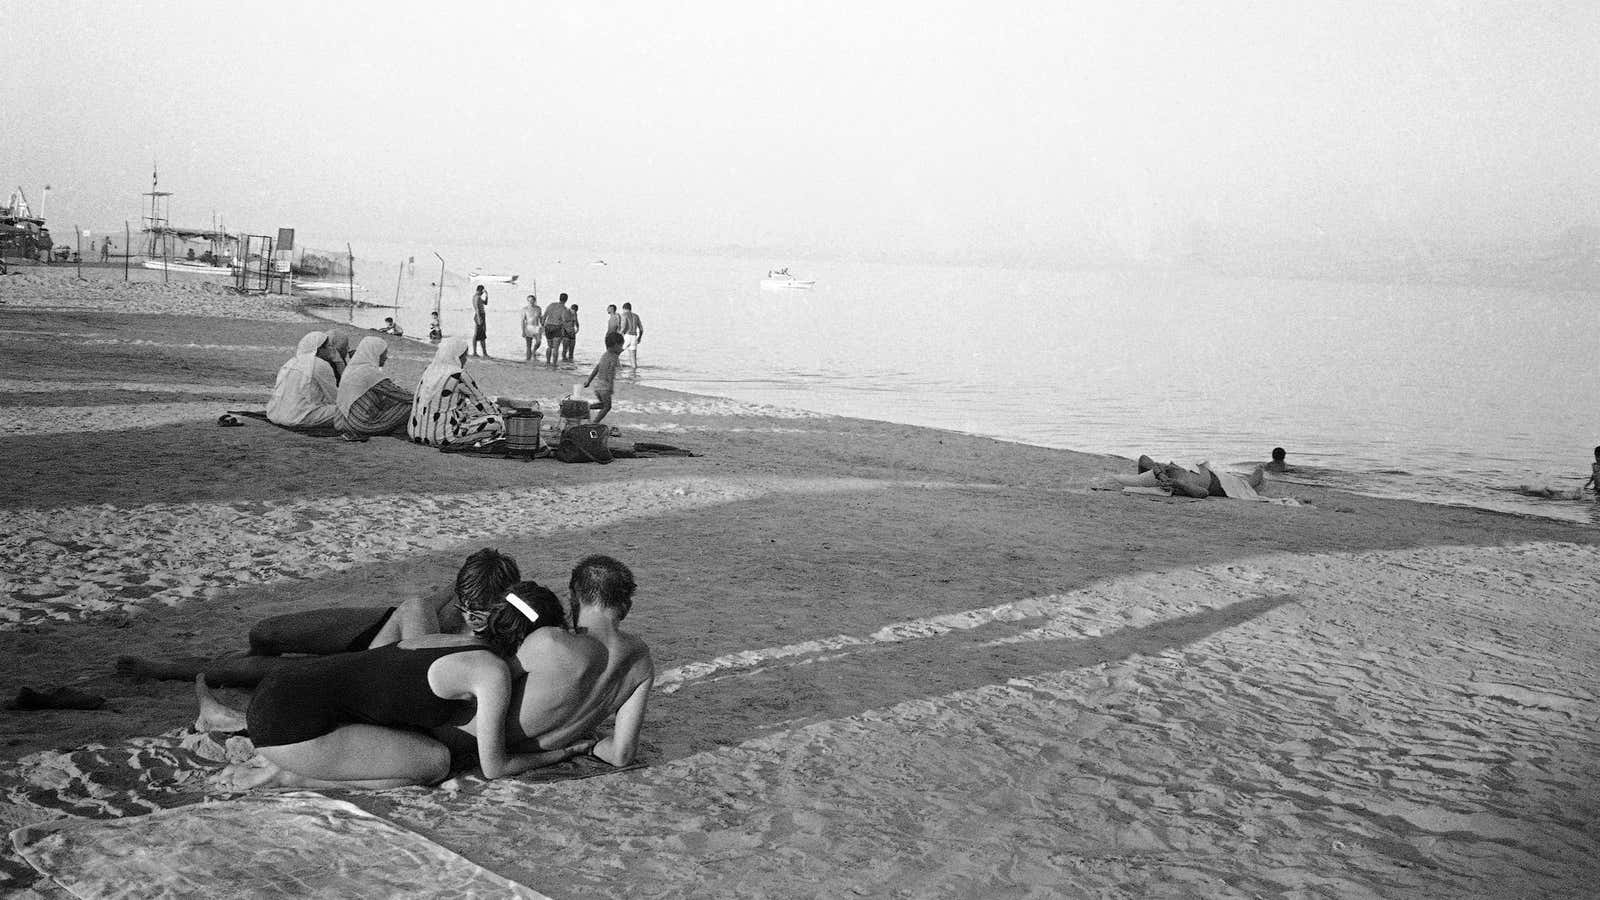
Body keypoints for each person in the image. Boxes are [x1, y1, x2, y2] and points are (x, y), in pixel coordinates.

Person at [203, 582, 592, 791]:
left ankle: (292, 762)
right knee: (435, 763)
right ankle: (294, 777)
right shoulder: (490, 672)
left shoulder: (443, 640)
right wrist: (558, 755)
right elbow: (495, 768)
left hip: (283, 692)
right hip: (289, 727)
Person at [119, 549, 521, 688]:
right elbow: (427, 607)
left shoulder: (516, 614)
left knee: (252, 673)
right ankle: (236, 656)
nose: (472, 615)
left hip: (381, 661)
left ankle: (167, 669)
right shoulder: (462, 590)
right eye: (466, 604)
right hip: (383, 626)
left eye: (480, 611)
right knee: (264, 633)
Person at [444, 555, 653, 769]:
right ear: (626, 607)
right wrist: (589, 745)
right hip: (527, 753)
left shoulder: (550, 642)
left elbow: (471, 688)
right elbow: (622, 755)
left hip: (455, 738)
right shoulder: (641, 662)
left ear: (574, 596)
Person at [408, 335, 505, 448]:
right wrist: (502, 412)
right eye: (464, 356)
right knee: (498, 423)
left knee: (466, 413)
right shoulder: (458, 375)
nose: (466, 359)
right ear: (457, 356)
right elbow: (484, 406)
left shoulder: (429, 370)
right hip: (442, 438)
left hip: (415, 433)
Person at [335, 336, 414, 441]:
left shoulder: (352, 368)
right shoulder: (369, 372)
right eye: (384, 354)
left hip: (342, 422)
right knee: (412, 406)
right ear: (375, 353)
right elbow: (398, 393)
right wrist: (421, 398)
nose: (386, 357)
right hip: (360, 425)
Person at [266, 332, 339, 429]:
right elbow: (335, 398)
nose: (332, 349)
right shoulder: (320, 364)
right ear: (319, 349)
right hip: (299, 417)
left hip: (275, 414)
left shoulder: (291, 361)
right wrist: (340, 363)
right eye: (329, 346)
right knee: (349, 412)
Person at [584, 332, 624, 425]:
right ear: (615, 345)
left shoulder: (604, 355)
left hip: (597, 385)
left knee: (603, 405)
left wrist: (589, 380)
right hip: (605, 386)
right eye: (621, 345)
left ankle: (586, 407)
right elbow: (610, 372)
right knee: (607, 407)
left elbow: (597, 368)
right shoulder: (614, 357)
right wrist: (610, 386)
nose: (622, 348)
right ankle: (595, 422)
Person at [543, 294, 569, 365]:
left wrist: (542, 326)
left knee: (549, 346)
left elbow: (544, 316)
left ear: (559, 298)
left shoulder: (551, 305)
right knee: (556, 348)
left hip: (548, 326)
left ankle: (548, 362)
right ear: (566, 300)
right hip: (556, 327)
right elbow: (564, 320)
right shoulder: (564, 309)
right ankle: (554, 364)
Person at [619, 302, 643, 369]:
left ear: (624, 308)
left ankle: (616, 370)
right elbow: (641, 329)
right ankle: (634, 375)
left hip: (627, 336)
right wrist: (639, 338)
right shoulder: (636, 316)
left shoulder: (624, 315)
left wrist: (618, 336)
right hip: (634, 337)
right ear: (630, 308)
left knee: (615, 353)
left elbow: (623, 328)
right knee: (633, 362)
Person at [521, 294, 544, 362]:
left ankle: (534, 351)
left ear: (535, 301)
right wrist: (523, 331)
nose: (531, 302)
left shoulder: (538, 308)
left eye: (532, 300)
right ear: (527, 301)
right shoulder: (525, 309)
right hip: (528, 327)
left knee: (538, 341)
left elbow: (541, 319)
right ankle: (528, 360)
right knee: (528, 345)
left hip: (536, 327)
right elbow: (522, 320)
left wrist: (543, 327)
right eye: (529, 300)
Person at [470, 285, 490, 357]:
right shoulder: (477, 297)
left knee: (481, 334)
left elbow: (486, 303)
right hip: (479, 315)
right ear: (480, 290)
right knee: (479, 334)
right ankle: (478, 352)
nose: (482, 293)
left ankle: (482, 352)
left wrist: (486, 295)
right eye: (482, 291)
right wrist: (479, 318)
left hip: (481, 315)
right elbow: (477, 309)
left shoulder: (479, 297)